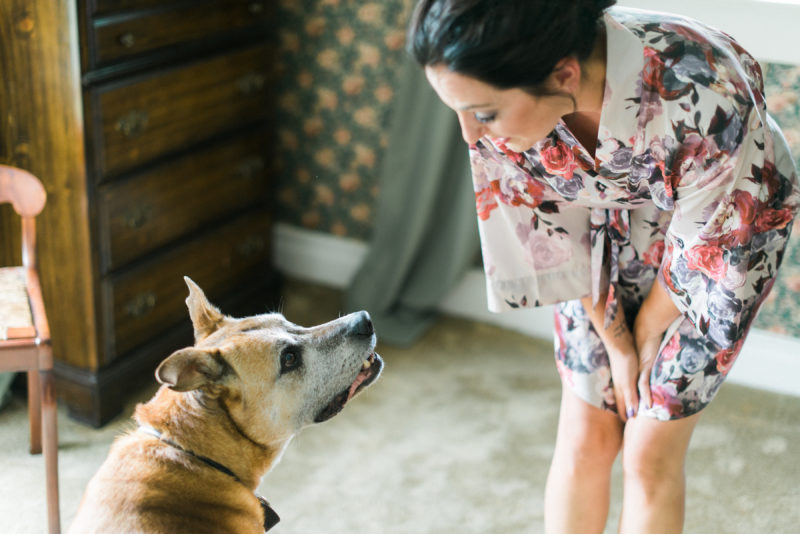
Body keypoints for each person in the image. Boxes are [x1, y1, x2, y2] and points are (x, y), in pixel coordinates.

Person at [407, 0, 800, 532]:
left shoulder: (704, 91)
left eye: (482, 114)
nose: (469, 137)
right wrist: (615, 341)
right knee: (587, 433)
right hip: (600, 223)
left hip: (728, 227)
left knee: (648, 451)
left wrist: (644, 330)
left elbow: (706, 251)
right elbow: (552, 244)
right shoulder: (499, 112)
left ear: (563, 73)